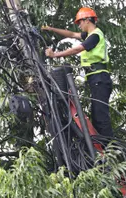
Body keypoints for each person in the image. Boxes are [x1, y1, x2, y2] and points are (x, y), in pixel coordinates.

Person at [42, 7, 114, 137]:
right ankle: (103, 147)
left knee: (100, 116)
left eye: (80, 22)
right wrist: (52, 29)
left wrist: (55, 55)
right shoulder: (90, 35)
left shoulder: (95, 36)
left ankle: (110, 149)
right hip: (95, 79)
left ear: (87, 20)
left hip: (99, 78)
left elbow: (77, 49)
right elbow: (71, 34)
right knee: (97, 115)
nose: (79, 25)